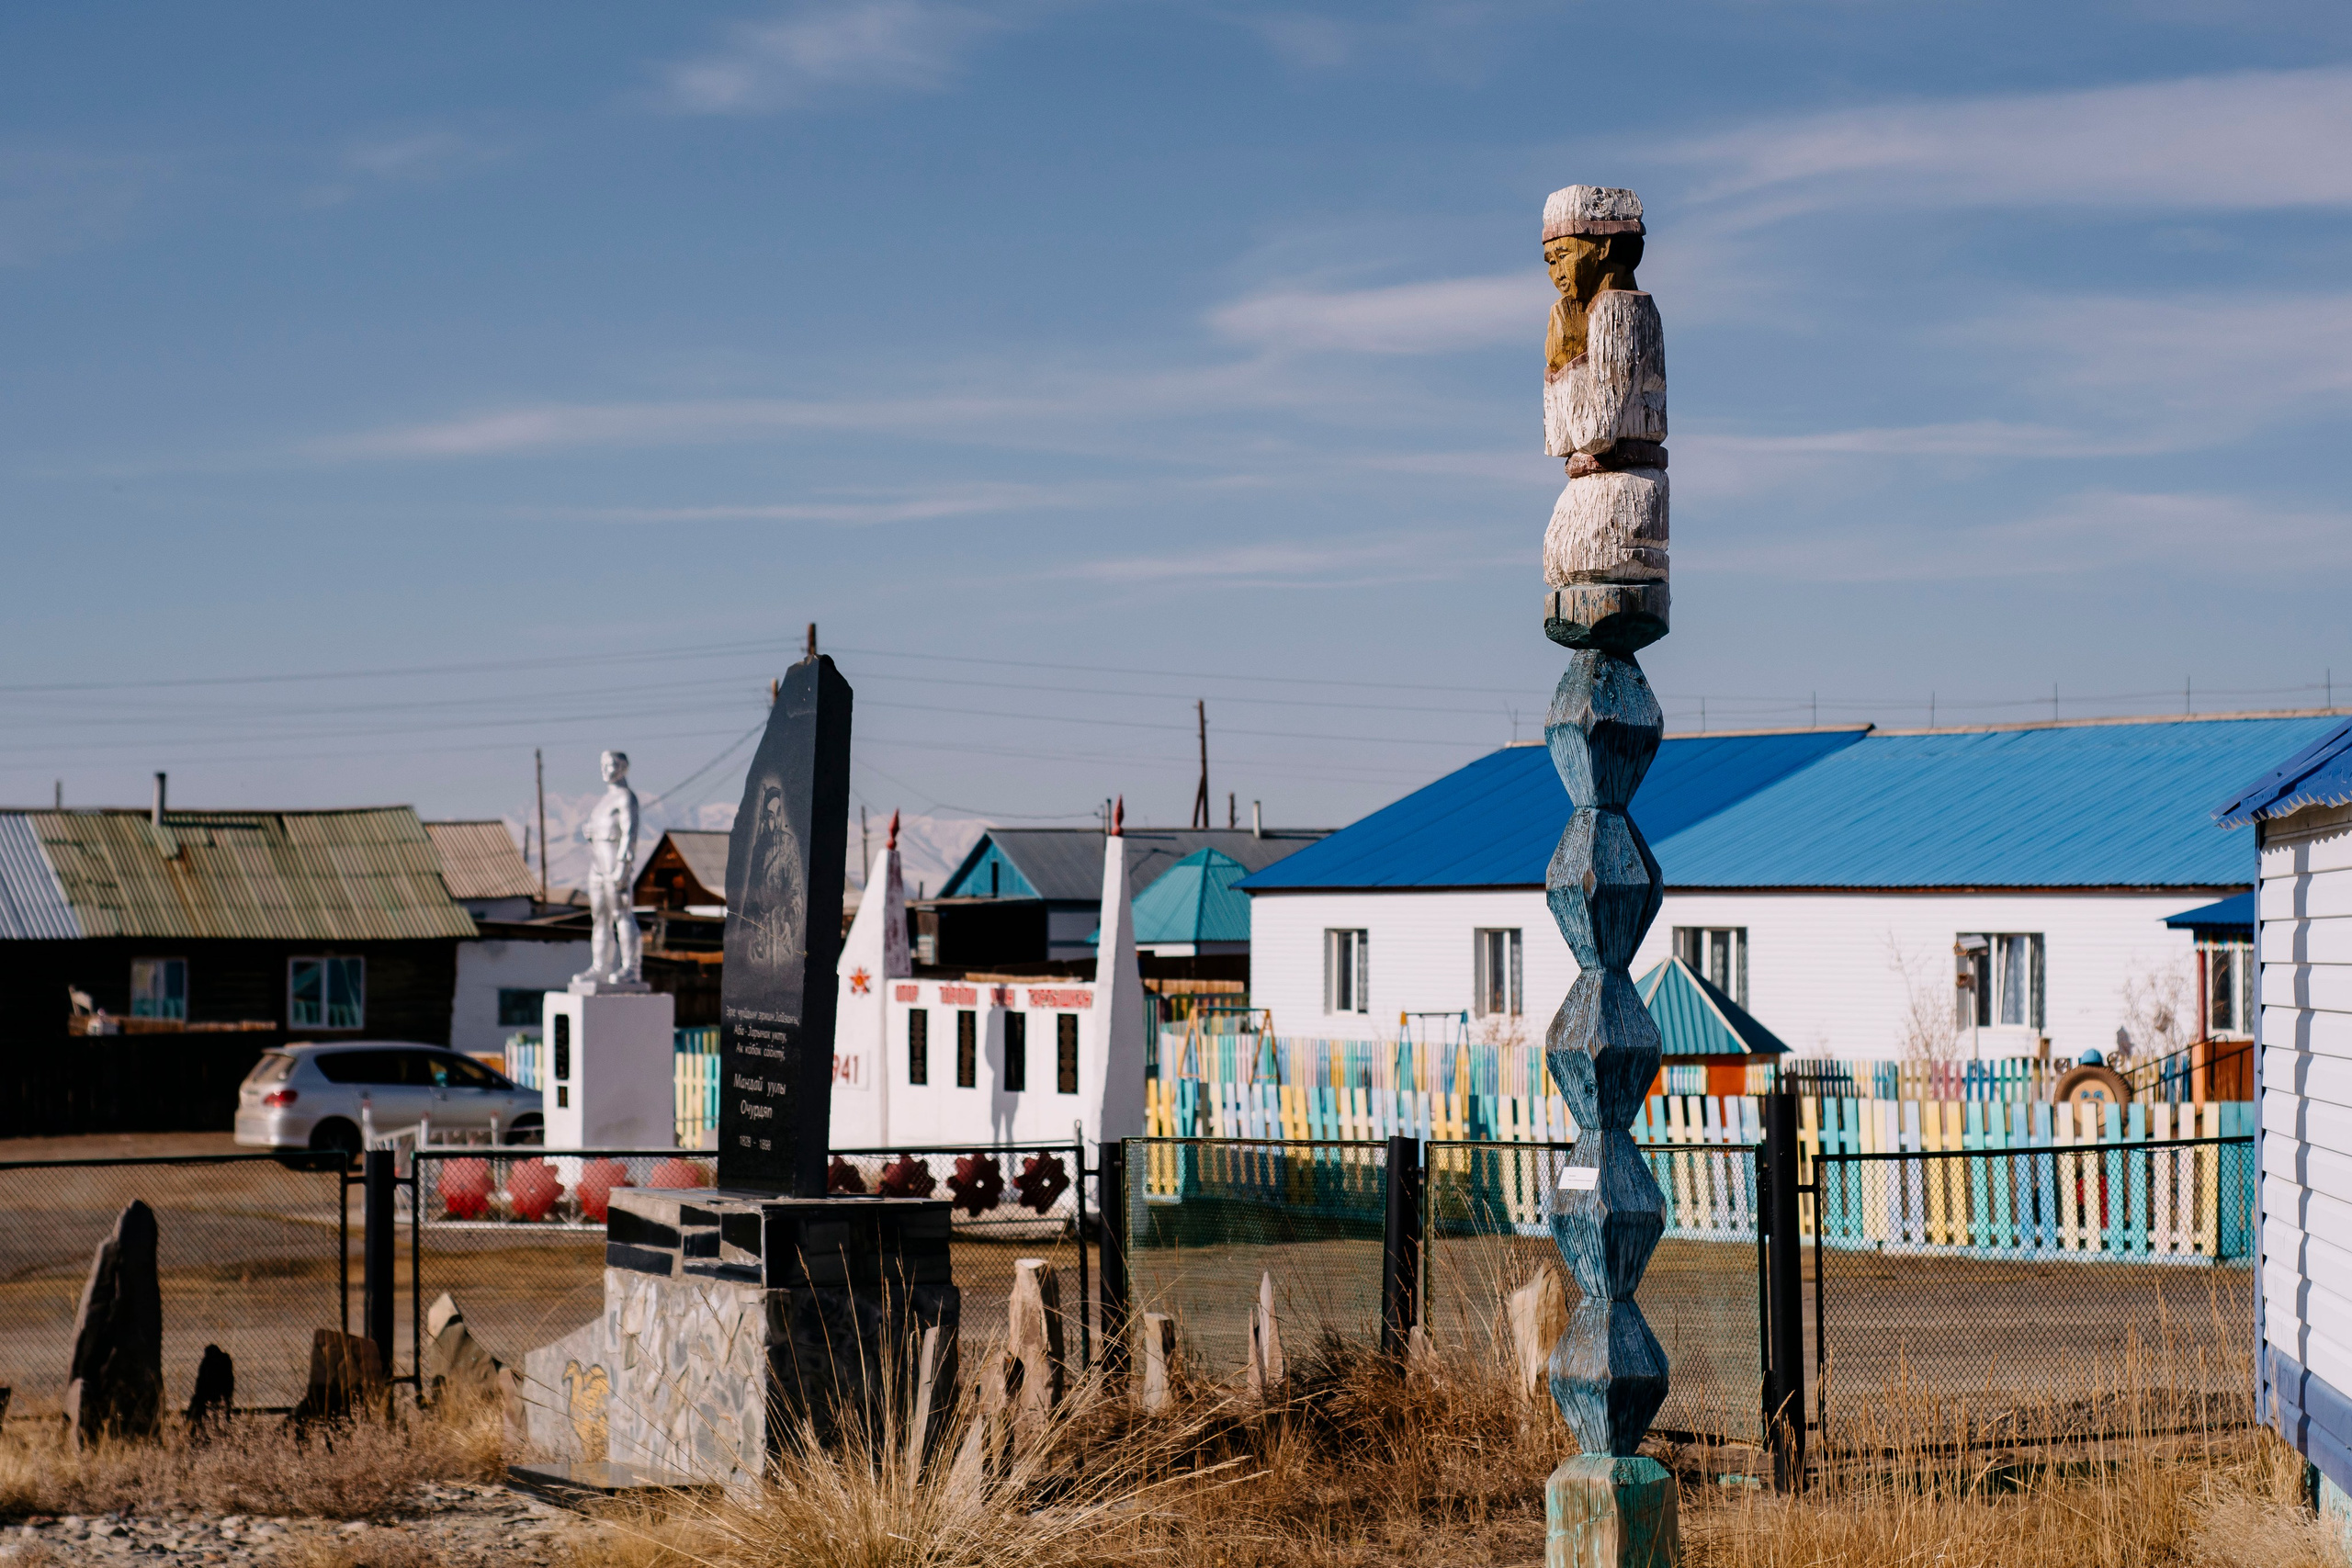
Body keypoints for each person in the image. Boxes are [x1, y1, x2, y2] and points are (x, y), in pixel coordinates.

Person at [572, 750, 643, 987]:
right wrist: (590, 833)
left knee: (621, 914)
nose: (605, 769)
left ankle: (631, 968)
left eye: (610, 764)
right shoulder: (603, 801)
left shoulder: (626, 797)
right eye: (602, 764)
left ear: (623, 767)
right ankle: (600, 967)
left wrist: (624, 864)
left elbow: (630, 832)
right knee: (599, 917)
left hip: (614, 860)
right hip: (597, 863)